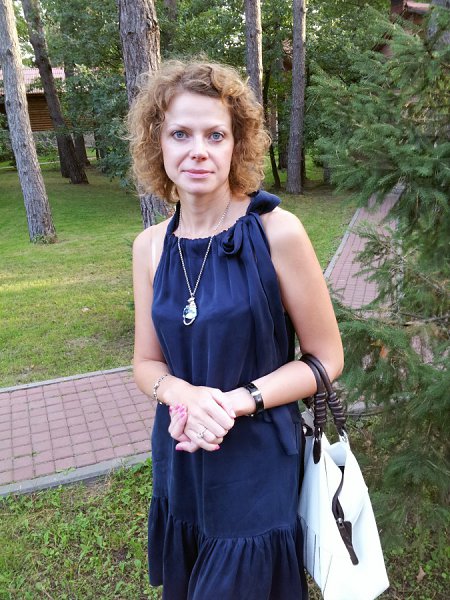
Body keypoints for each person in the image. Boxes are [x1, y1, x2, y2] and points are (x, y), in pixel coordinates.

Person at [128, 60, 344, 600]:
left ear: (237, 144)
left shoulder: (277, 232)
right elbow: (146, 362)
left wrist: (234, 402)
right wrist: (183, 396)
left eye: (215, 135)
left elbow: (325, 358)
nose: (197, 150)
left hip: (256, 461)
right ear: (158, 143)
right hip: (181, 455)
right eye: (180, 134)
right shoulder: (149, 246)